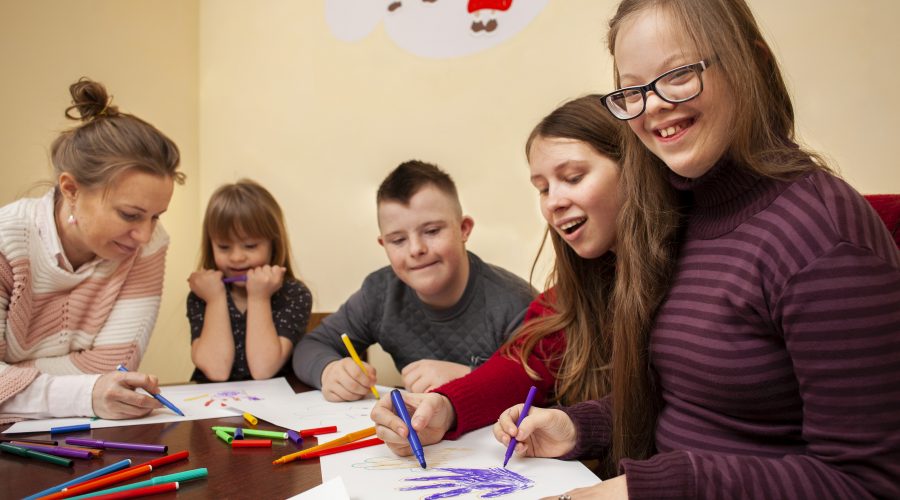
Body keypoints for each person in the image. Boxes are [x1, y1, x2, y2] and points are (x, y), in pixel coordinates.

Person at [494, 1, 900, 498]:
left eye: (679, 74)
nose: (655, 106)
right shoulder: (680, 212)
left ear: (750, 62)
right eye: (635, 90)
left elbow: (870, 484)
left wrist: (662, 486)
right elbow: (688, 401)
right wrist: (578, 426)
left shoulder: (823, 233)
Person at [370, 95, 679, 477]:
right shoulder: (572, 294)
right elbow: (523, 365)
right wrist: (445, 408)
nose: (553, 202)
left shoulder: (690, 276)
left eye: (572, 177)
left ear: (632, 168)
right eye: (542, 188)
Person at [0, 78, 184, 421]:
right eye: (130, 215)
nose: (144, 235)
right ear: (71, 189)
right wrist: (85, 391)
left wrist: (14, 375)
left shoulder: (149, 245)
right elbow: (97, 381)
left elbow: (110, 366)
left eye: (156, 217)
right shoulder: (6, 243)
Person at [292, 160, 535, 401]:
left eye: (432, 231)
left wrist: (471, 379)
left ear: (463, 229)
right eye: (398, 240)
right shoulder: (380, 293)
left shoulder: (516, 303)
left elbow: (550, 386)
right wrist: (328, 370)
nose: (416, 249)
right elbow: (310, 347)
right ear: (384, 244)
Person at [188, 179, 312, 382]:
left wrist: (259, 297)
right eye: (224, 247)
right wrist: (215, 299)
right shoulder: (204, 293)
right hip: (214, 407)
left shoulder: (294, 293)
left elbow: (263, 369)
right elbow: (216, 370)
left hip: (276, 405)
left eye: (250, 245)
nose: (236, 257)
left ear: (273, 244)